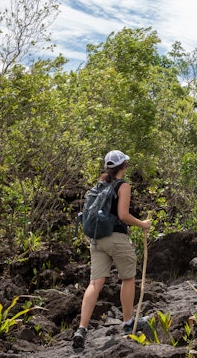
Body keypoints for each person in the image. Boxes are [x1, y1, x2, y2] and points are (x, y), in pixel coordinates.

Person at [73, 150, 152, 349]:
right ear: (123, 166)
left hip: (97, 240)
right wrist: (143, 224)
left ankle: (81, 329)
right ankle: (128, 323)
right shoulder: (122, 186)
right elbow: (123, 215)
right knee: (128, 278)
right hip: (116, 238)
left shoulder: (99, 185)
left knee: (95, 283)